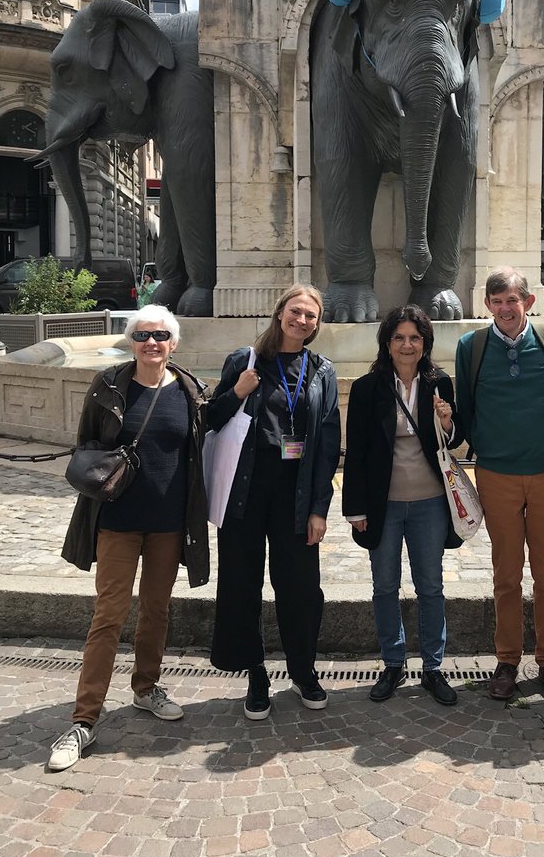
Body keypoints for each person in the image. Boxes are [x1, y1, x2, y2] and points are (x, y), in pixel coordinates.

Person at [49, 305, 210, 771]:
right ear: (131, 342)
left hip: (167, 524)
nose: (152, 343)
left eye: (160, 335)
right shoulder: (110, 385)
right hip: (117, 521)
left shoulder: (189, 390)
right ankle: (84, 718)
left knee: (156, 609)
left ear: (173, 342)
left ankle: (145, 687)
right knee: (109, 614)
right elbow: (86, 449)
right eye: (142, 336)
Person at [208, 284, 340, 719]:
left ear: (317, 324)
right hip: (244, 493)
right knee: (242, 585)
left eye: (311, 316)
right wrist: (239, 392)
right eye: (295, 311)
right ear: (279, 312)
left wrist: (320, 507)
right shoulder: (244, 362)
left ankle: (303, 670)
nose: (302, 320)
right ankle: (256, 674)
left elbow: (327, 446)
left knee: (301, 589)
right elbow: (210, 418)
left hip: (296, 498)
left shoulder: (322, 371)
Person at [455, 267, 544, 704]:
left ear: (528, 301)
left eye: (513, 300)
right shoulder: (472, 347)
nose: (506, 308)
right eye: (497, 301)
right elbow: (464, 409)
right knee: (505, 575)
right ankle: (507, 660)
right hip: (497, 475)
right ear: (487, 305)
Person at [343, 305, 462, 706]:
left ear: (425, 342)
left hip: (430, 500)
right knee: (384, 586)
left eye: (414, 337)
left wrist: (446, 423)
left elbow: (454, 441)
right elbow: (355, 453)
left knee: (431, 587)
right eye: (399, 337)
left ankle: (433, 667)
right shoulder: (366, 387)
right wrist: (355, 509)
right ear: (387, 343)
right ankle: (392, 663)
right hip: (383, 504)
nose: (407, 345)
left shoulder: (439, 382)